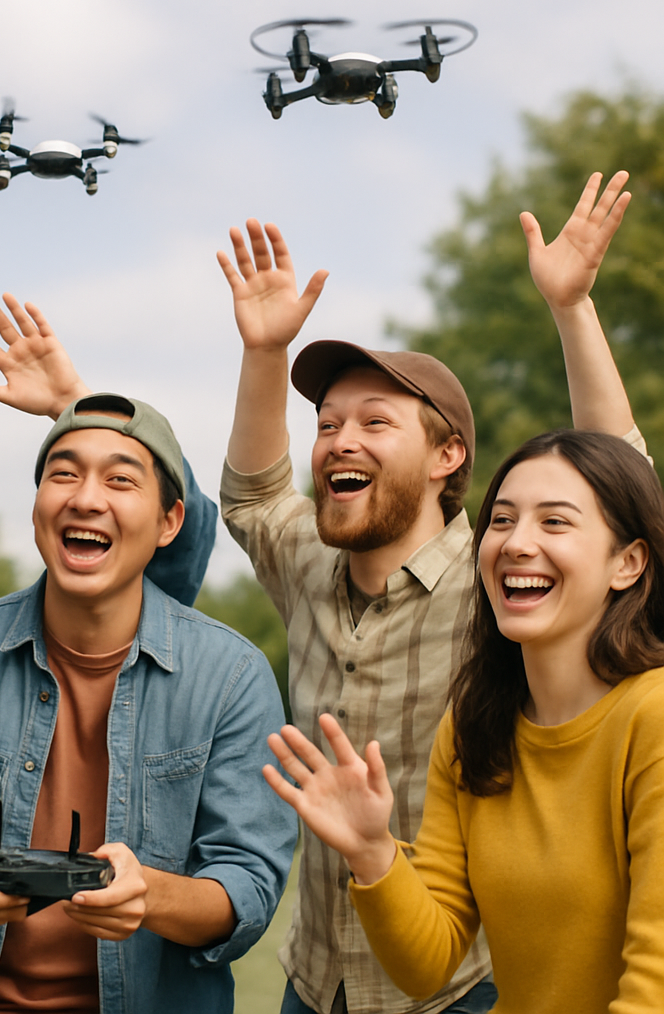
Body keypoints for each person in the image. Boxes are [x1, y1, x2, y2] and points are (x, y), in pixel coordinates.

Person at [216, 170, 641, 1014]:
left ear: (448, 457)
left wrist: (571, 307)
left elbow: (619, 485)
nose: (341, 438)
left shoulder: (502, 583)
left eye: (377, 422)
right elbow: (255, 497)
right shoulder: (307, 561)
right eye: (330, 422)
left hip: (456, 985)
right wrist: (264, 352)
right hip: (316, 977)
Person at [0, 374, 297, 1013]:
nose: (86, 499)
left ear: (170, 520)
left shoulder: (232, 676)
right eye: (63, 474)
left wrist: (149, 896)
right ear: (37, 501)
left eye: (120, 480)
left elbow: (247, 886)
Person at [264, 428, 664, 1013]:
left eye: (555, 522)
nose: (516, 543)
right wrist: (372, 851)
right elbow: (427, 965)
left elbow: (653, 987)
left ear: (627, 562)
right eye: (501, 520)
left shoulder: (649, 717)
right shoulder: (474, 722)